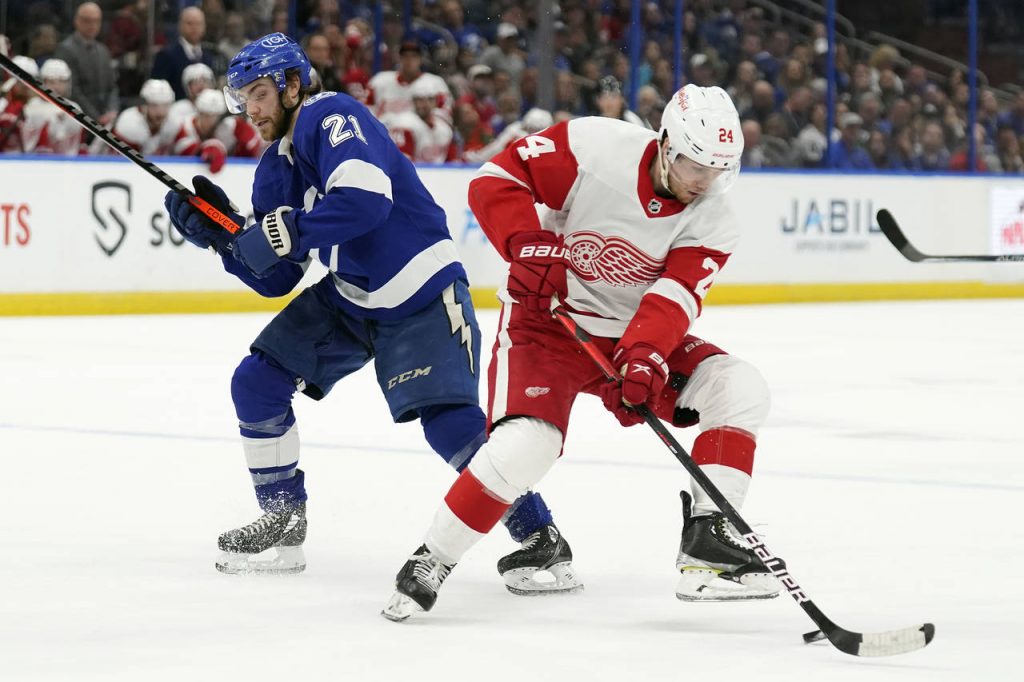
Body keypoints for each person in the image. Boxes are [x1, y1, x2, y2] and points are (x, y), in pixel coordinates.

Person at [162, 34, 580, 594]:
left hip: (422, 291)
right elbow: (278, 277)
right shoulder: (272, 171)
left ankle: (540, 537)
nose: (251, 110)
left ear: (292, 84)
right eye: (242, 98)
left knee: (450, 425)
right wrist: (225, 238)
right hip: (351, 296)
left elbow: (366, 200)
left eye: (258, 93)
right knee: (256, 382)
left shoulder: (331, 116)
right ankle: (283, 519)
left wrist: (284, 232)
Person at [382, 84, 780, 621]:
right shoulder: (595, 146)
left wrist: (645, 356)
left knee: (740, 388)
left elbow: (673, 299)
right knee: (528, 446)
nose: (703, 182)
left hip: (631, 335)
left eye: (718, 170)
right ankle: (432, 558)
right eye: (694, 165)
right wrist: (525, 243)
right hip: (546, 326)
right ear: (665, 143)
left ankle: (709, 540)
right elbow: (496, 179)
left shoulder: (715, 219)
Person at [54, 2, 119, 125]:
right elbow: (72, 90)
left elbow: (112, 87)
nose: (92, 25)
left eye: (96, 21)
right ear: (77, 21)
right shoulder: (66, 50)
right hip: (79, 120)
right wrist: (95, 118)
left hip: (105, 120)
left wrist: (112, 110)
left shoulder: (103, 50)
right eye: (87, 20)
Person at [170, 88, 263, 172]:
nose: (210, 120)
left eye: (215, 116)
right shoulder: (186, 126)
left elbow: (252, 147)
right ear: (199, 113)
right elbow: (183, 151)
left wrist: (246, 146)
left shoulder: (230, 126)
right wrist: (210, 146)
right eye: (206, 115)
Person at [23, 58, 85, 155]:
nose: (57, 86)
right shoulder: (32, 106)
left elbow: (76, 141)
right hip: (36, 160)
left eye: (61, 81)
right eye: (51, 82)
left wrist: (63, 121)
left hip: (67, 160)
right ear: (43, 82)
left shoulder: (74, 107)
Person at [151, 6, 213, 100]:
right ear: (180, 26)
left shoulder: (208, 57)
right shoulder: (166, 55)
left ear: (204, 27)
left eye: (198, 23)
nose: (194, 28)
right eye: (189, 23)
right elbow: (156, 91)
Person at [104, 78, 175, 155]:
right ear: (144, 105)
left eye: (166, 105)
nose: (160, 112)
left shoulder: (173, 121)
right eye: (154, 105)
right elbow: (125, 161)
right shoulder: (129, 123)